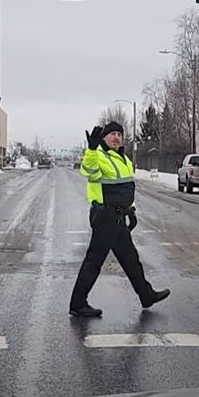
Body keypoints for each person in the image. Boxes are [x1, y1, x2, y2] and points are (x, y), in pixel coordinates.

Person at [69, 122, 170, 317]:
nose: (116, 137)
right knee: (93, 262)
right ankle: (78, 303)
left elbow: (126, 189)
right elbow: (88, 172)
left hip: (119, 218)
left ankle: (146, 294)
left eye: (119, 134)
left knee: (131, 260)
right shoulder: (98, 156)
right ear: (104, 138)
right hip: (105, 216)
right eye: (112, 134)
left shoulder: (123, 159)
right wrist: (90, 150)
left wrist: (131, 210)